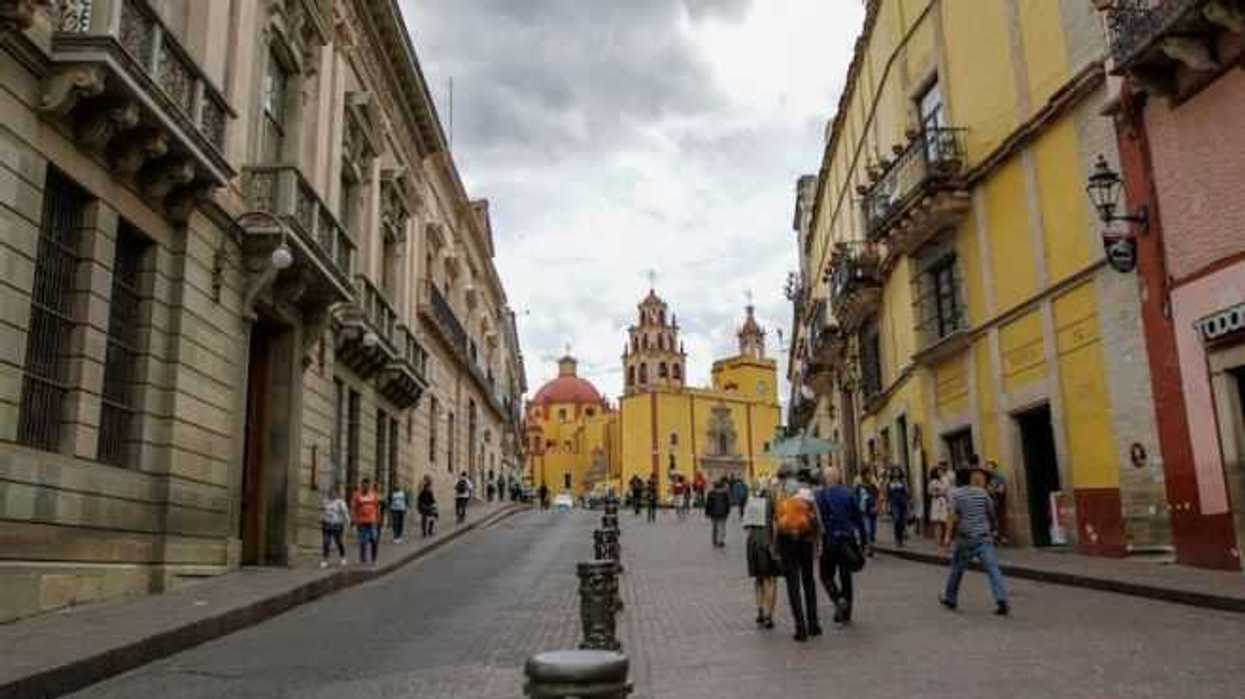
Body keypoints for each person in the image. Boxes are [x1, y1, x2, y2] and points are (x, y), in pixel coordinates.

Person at [940, 464, 1010, 616]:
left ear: (958, 479)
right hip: (984, 537)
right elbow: (991, 512)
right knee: (993, 569)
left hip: (965, 538)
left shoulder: (955, 494)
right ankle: (1001, 599)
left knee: (957, 569)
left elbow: (952, 516)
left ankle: (951, 598)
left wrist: (947, 537)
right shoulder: (981, 492)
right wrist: (993, 529)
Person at [774, 466, 823, 642]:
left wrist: (775, 548)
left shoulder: (777, 493)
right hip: (806, 539)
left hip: (786, 541)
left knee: (793, 584)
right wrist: (818, 542)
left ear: (781, 477)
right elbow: (817, 519)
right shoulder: (806, 491)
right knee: (808, 580)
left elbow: (774, 522)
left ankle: (800, 628)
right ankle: (813, 624)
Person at [815, 467, 867, 624]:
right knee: (846, 576)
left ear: (825, 479)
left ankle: (838, 599)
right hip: (847, 539)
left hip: (829, 540)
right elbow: (858, 518)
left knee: (825, 575)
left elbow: (816, 521)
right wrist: (864, 540)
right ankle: (846, 613)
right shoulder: (848, 493)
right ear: (838, 478)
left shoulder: (819, 496)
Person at [742, 478, 780, 629]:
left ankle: (760, 610)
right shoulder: (771, 502)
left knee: (758, 579)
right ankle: (769, 615)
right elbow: (775, 524)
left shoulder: (750, 502)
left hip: (752, 543)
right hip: (767, 542)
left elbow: (746, 525)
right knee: (770, 579)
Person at [352, 478, 381, 565]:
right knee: (363, 541)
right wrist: (354, 519)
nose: (365, 487)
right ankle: (363, 559)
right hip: (361, 522)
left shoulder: (373, 495)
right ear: (361, 485)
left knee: (374, 540)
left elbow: (377, 507)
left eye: (367, 485)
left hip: (372, 521)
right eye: (363, 485)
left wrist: (378, 518)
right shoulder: (357, 495)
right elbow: (354, 508)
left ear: (369, 486)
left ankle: (374, 559)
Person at [320, 484, 350, 568]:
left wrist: (348, 521)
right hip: (327, 524)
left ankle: (343, 556)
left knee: (339, 542)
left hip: (337, 525)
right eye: (330, 492)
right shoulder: (325, 501)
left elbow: (345, 513)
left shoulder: (340, 502)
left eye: (333, 492)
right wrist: (321, 518)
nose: (331, 494)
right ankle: (325, 560)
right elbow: (323, 511)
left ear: (336, 493)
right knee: (326, 542)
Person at [854, 469, 879, 555]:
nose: (869, 476)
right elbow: (855, 498)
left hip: (873, 511)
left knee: (873, 530)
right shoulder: (859, 487)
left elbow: (877, 496)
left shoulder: (873, 486)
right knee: (867, 530)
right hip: (864, 511)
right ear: (863, 475)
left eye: (870, 474)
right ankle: (869, 548)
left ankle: (869, 544)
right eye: (867, 474)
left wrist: (876, 506)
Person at [986, 459, 1009, 544]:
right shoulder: (987, 478)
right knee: (992, 520)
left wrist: (993, 490)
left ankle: (1003, 536)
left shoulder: (1000, 477)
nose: (989, 470)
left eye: (990, 468)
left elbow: (1001, 490)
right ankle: (995, 536)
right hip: (990, 503)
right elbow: (987, 490)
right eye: (988, 468)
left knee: (1001, 519)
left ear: (994, 468)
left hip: (999, 502)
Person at [886, 466, 910, 547]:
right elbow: (887, 495)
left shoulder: (902, 482)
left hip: (902, 503)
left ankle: (900, 540)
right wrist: (888, 505)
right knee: (896, 520)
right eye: (895, 471)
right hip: (894, 503)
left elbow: (907, 492)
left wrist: (905, 485)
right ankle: (897, 539)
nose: (896, 473)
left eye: (898, 471)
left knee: (902, 522)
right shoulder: (889, 483)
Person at [705, 478, 732, 547]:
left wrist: (707, 513)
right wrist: (728, 511)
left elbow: (708, 504)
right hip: (723, 513)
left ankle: (715, 540)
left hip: (713, 513)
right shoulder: (725, 493)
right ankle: (720, 540)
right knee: (721, 526)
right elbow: (727, 504)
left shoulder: (710, 493)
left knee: (714, 527)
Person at [928, 465, 951, 545]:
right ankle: (938, 540)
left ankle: (944, 539)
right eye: (938, 471)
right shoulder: (933, 482)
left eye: (941, 471)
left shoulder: (945, 480)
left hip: (944, 502)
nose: (940, 472)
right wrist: (937, 493)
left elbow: (948, 490)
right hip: (937, 502)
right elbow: (930, 492)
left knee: (944, 521)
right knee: (937, 522)